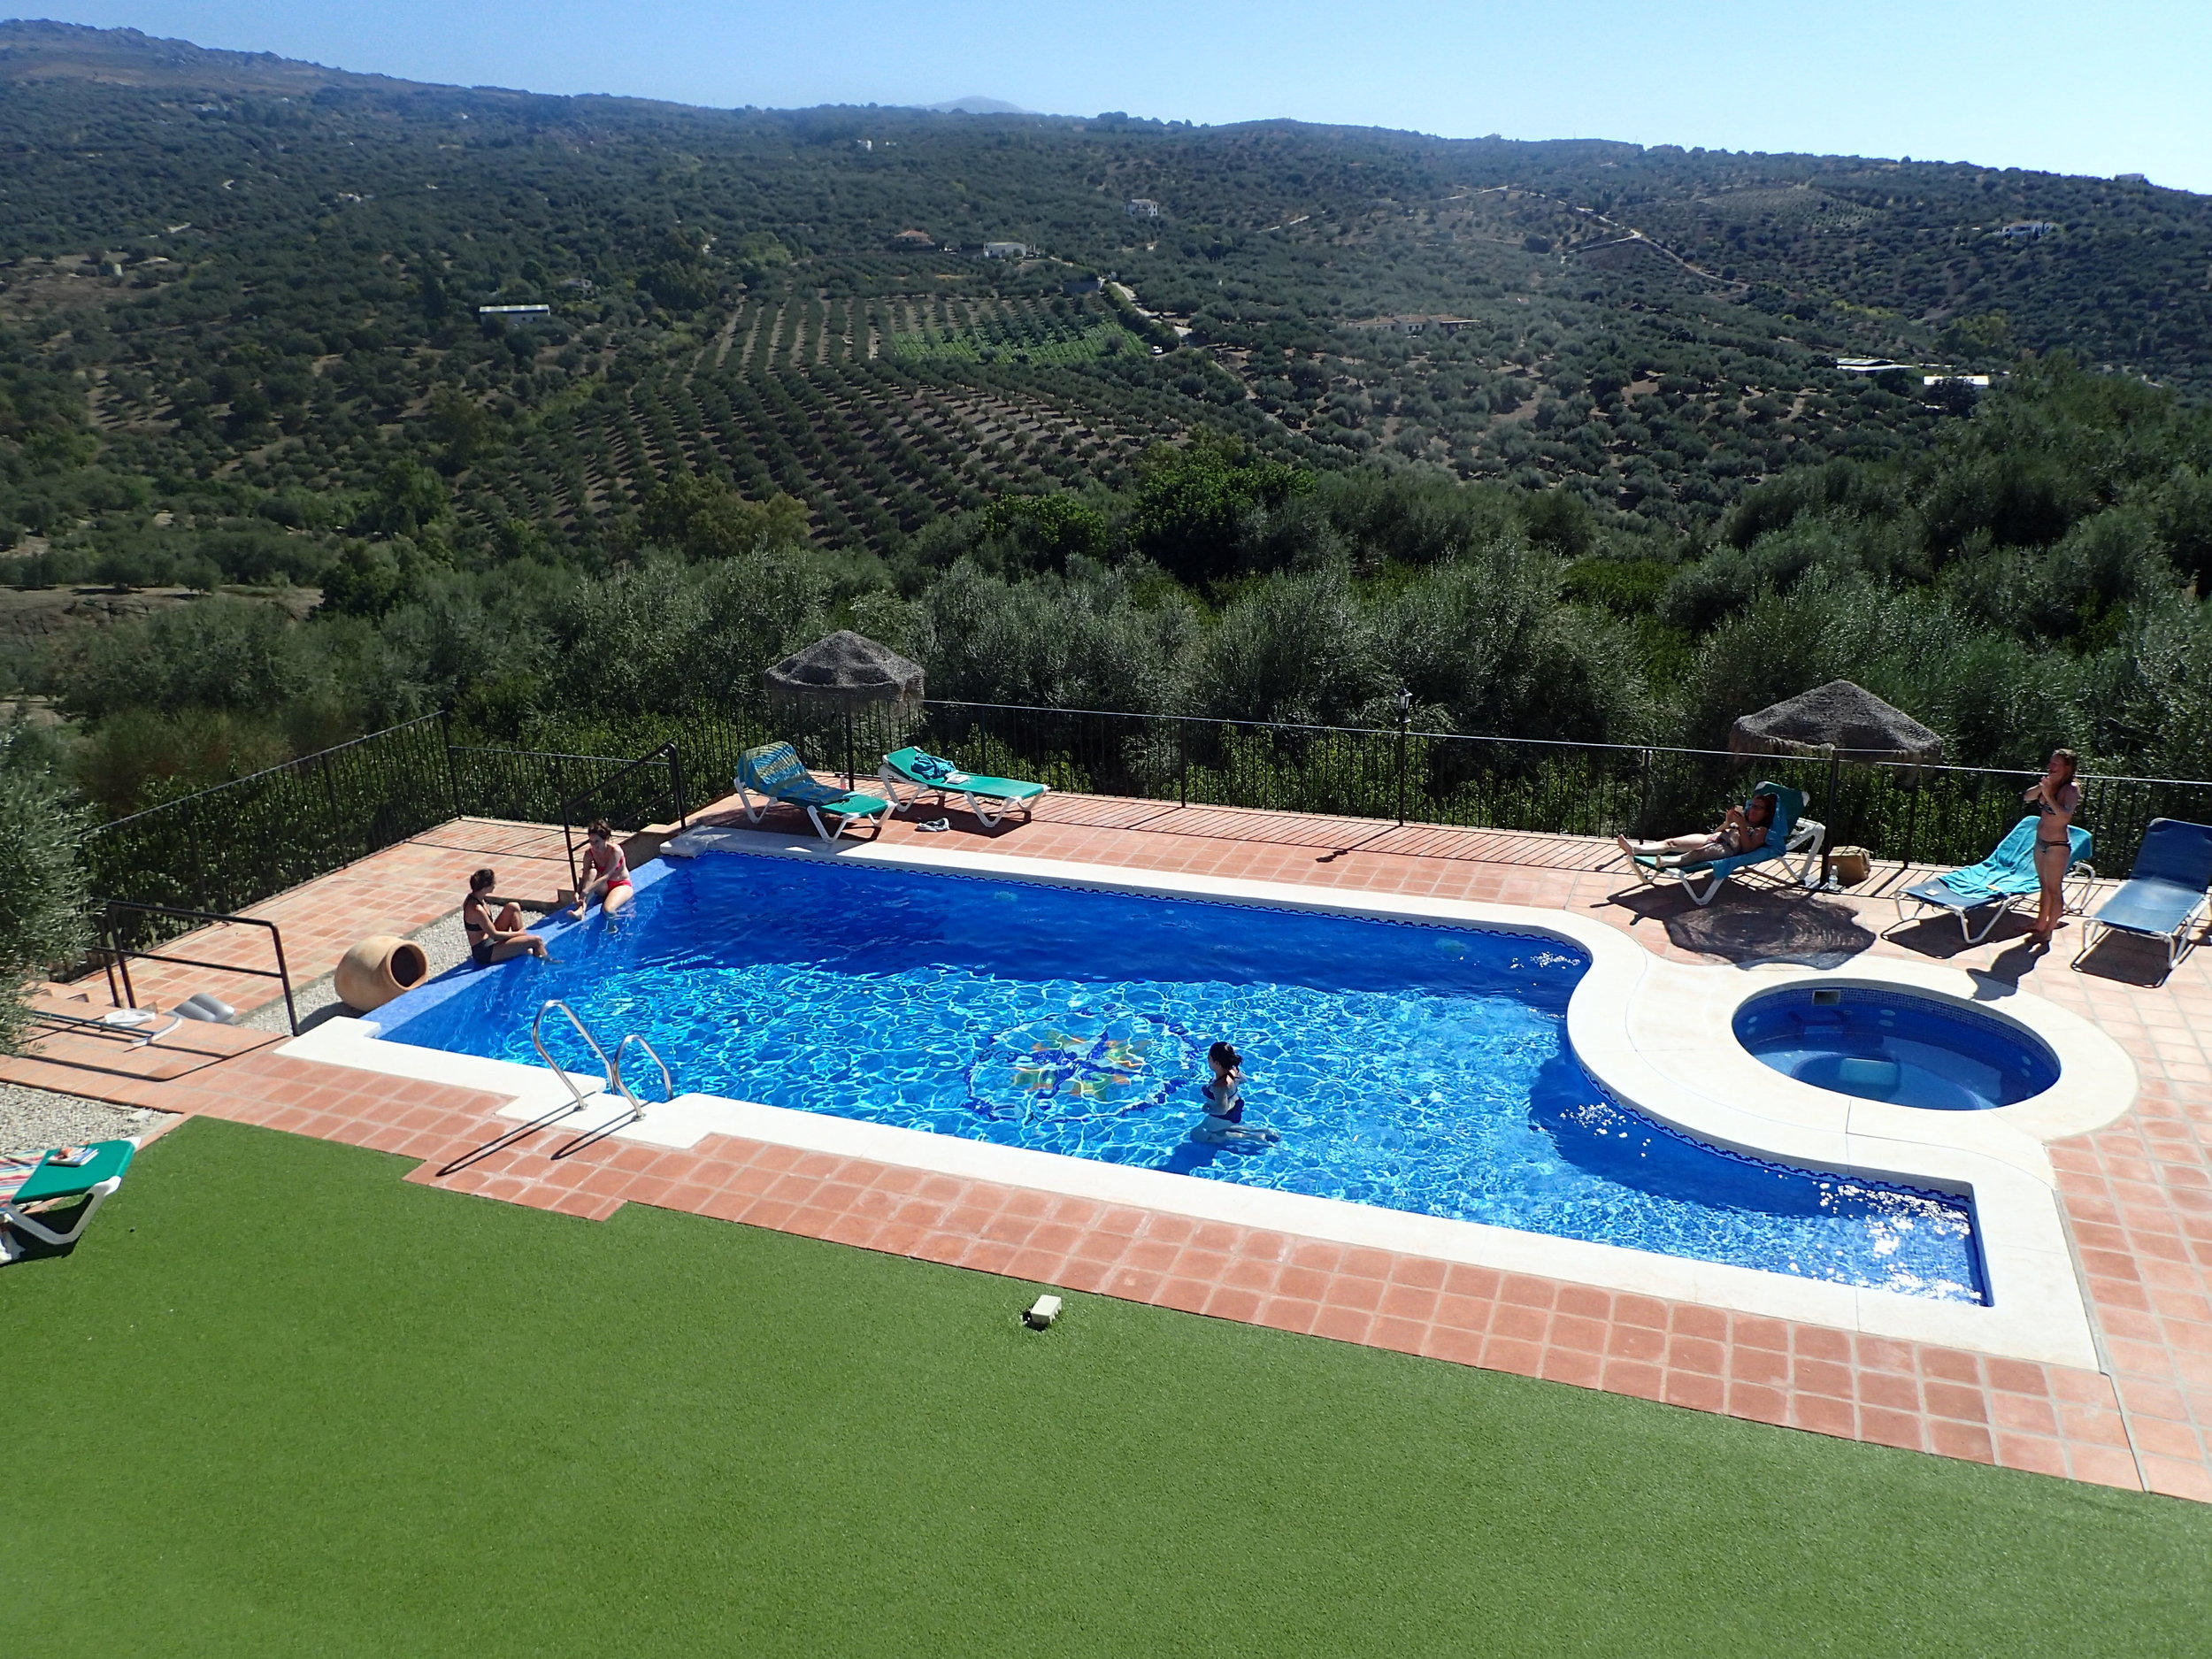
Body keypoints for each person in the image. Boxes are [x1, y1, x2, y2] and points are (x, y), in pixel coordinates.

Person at [1616, 791, 1776, 868]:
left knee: (1696, 854)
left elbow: (1747, 849)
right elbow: (1716, 832)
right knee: (1671, 842)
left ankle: (1665, 862)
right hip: (1712, 838)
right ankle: (1635, 849)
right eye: (1752, 806)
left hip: (1728, 848)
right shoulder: (1743, 819)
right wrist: (1728, 822)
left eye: (1758, 808)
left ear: (1766, 812)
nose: (1753, 810)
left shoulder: (1760, 830)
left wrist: (1741, 826)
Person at [2023, 748, 2081, 946]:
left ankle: (2049, 929)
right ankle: (2040, 923)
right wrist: (2043, 788)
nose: (2051, 766)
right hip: (2041, 842)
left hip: (2057, 846)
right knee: (2044, 886)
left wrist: (2048, 794)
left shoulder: (2071, 789)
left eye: (2056, 764)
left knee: (2054, 889)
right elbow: (2027, 797)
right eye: (2051, 762)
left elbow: (2064, 816)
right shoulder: (2050, 784)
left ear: (2067, 767)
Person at [1194, 1042, 1279, 1146]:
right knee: (1223, 1126)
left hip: (1225, 1115)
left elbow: (1222, 1110)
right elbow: (1244, 1080)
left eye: (1209, 1059)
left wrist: (1207, 1109)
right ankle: (1262, 1131)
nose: (1208, 1061)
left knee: (1197, 1135)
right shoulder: (1234, 1070)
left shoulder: (1220, 1086)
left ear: (1216, 1063)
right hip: (1236, 1106)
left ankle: (1253, 1137)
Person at [463, 867, 548, 965]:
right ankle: (547, 966)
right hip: (485, 952)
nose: (495, 884)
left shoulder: (476, 897)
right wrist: (519, 934)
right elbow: (495, 935)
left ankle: (523, 946)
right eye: (494, 882)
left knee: (513, 907)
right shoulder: (476, 909)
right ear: (486, 886)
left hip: (489, 938)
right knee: (536, 941)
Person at [562, 820, 634, 920]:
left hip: (620, 884)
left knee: (608, 910)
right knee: (592, 872)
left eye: (597, 842)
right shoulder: (589, 853)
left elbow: (606, 876)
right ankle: (581, 910)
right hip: (603, 887)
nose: (594, 846)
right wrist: (578, 892)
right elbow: (584, 877)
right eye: (591, 842)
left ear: (606, 839)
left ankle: (613, 927)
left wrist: (587, 891)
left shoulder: (615, 851)